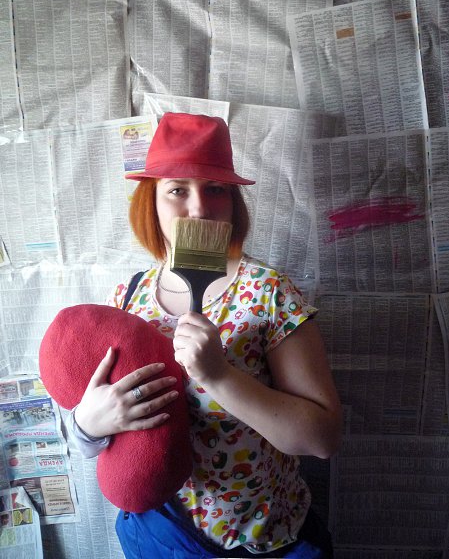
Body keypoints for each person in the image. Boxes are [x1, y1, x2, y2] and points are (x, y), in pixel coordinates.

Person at [68, 113, 342, 558]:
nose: (199, 208)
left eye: (215, 189)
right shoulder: (127, 297)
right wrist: (89, 424)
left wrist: (219, 375)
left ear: (233, 202)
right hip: (159, 535)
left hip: (260, 541)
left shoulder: (267, 292)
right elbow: (90, 436)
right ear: (151, 202)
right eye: (178, 190)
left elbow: (322, 440)